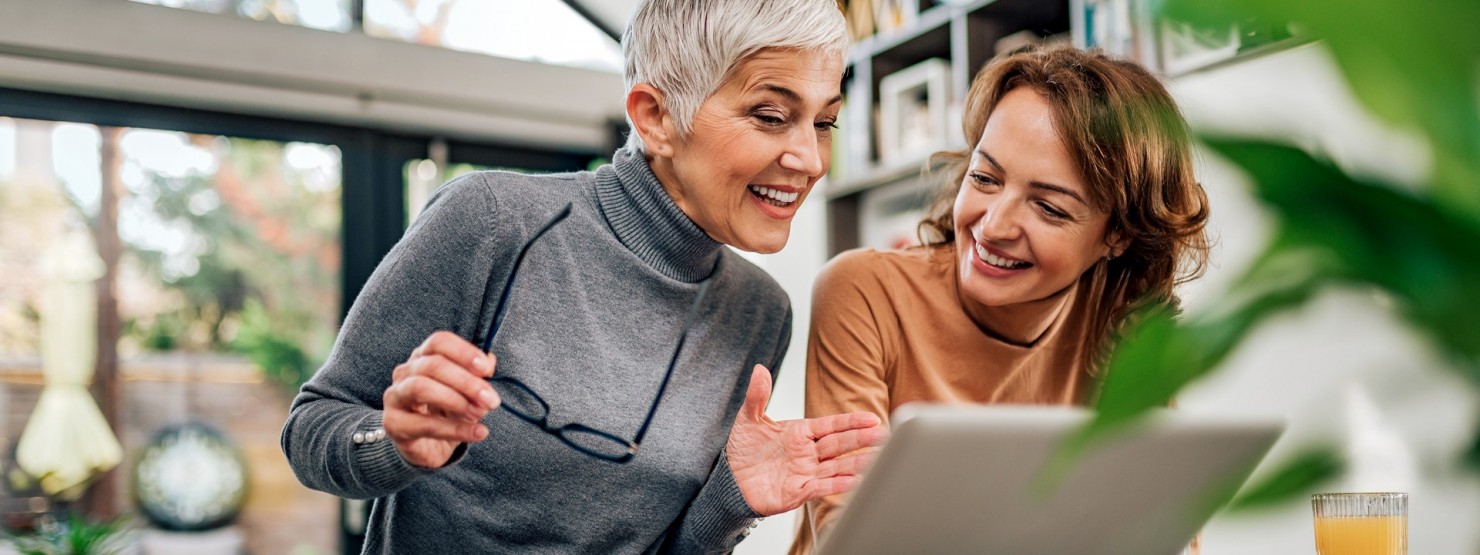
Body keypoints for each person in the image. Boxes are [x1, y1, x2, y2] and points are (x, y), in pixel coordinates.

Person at [280, 1, 889, 552]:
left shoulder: (760, 311)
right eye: (771, 115)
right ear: (655, 117)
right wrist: (395, 443)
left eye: (824, 123)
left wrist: (730, 501)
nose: (810, 159)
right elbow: (311, 427)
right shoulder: (493, 220)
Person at [789, 44, 1211, 553]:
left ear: (1117, 235)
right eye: (985, 178)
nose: (993, 226)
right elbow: (846, 535)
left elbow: (1162, 531)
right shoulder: (864, 292)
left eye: (1049, 209)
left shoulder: (1128, 330)